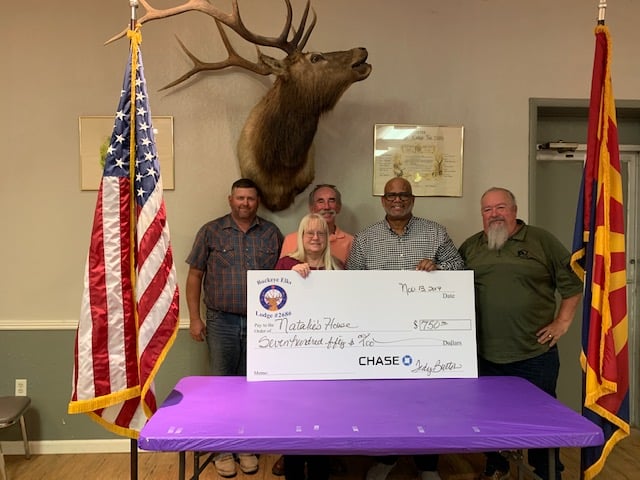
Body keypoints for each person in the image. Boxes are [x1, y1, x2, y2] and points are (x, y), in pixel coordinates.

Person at [458, 187, 582, 480]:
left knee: (542, 418)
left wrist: (562, 322)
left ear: (514, 210)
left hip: (533, 352)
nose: (494, 214)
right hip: (484, 353)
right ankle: (497, 464)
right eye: (487, 210)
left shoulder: (542, 241)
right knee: (490, 417)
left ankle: (547, 471)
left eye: (500, 207)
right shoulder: (471, 246)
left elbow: (573, 282)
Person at [347, 177, 465, 480]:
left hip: (426, 334)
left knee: (426, 399)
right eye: (391, 195)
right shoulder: (365, 239)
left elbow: (459, 269)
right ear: (383, 200)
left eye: (403, 195)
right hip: (380, 335)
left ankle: (428, 465)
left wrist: (438, 268)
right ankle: (387, 458)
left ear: (412, 199)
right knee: (384, 400)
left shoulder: (435, 232)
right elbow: (349, 284)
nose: (397, 200)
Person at [185, 178, 283, 478]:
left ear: (258, 202)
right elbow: (194, 277)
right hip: (220, 321)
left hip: (262, 323)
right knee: (221, 387)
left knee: (249, 386)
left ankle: (245, 445)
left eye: (250, 199)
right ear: (230, 200)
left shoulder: (271, 233)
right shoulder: (211, 231)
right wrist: (194, 317)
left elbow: (284, 275)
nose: (245, 203)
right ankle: (222, 448)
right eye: (240, 198)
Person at [274, 183, 352, 476]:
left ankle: (321, 469)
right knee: (294, 418)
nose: (316, 238)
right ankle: (293, 468)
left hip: (328, 358)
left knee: (324, 418)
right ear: (301, 236)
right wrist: (288, 276)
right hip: (293, 359)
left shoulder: (339, 268)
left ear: (327, 238)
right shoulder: (284, 264)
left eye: (321, 233)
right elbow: (270, 304)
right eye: (310, 233)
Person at [280, 184, 353, 265]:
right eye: (320, 201)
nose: (326, 207)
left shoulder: (351, 242)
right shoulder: (290, 240)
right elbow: (283, 274)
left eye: (331, 200)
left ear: (339, 207)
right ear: (311, 208)